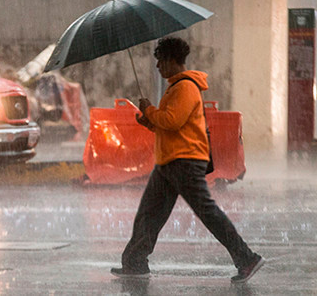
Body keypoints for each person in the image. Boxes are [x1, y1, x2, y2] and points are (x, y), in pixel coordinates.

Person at [111, 37, 264, 283]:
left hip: (184, 161)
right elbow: (170, 126)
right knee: (149, 213)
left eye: (160, 61)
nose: (158, 66)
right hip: (170, 161)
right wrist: (149, 122)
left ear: (172, 60)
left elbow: (172, 121)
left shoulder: (185, 88)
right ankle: (135, 262)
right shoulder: (176, 87)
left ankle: (246, 258)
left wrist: (149, 110)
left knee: (207, 212)